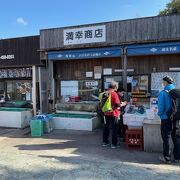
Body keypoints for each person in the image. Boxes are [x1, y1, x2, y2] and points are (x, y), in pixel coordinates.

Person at [158, 76, 175, 163]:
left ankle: (167, 157)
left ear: (166, 82)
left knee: (166, 138)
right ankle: (177, 157)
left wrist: (159, 114)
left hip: (166, 118)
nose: (162, 83)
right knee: (175, 137)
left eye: (163, 82)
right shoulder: (176, 91)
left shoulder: (163, 93)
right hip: (176, 118)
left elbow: (161, 108)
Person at [101, 81, 121, 149]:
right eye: (117, 86)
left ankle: (105, 142)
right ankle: (114, 144)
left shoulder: (104, 93)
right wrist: (122, 104)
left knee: (106, 128)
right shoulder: (114, 93)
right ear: (115, 87)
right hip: (113, 113)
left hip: (105, 113)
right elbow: (117, 104)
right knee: (114, 129)